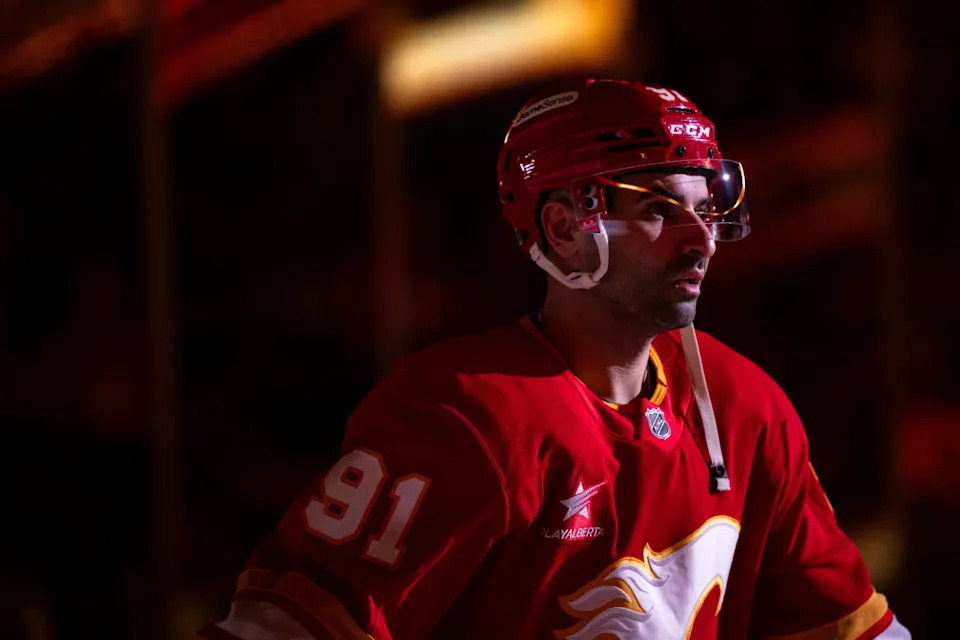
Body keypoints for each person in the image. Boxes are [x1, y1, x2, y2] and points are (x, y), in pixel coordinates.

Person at [197, 79, 910, 639]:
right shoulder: (464, 414)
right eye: (660, 208)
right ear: (566, 230)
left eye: (707, 205)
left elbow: (844, 625)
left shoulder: (741, 404)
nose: (702, 240)